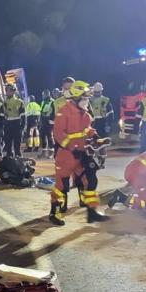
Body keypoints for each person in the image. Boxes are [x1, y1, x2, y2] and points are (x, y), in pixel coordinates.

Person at [50, 80, 109, 225]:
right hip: (66, 156)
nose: (87, 101)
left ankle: (92, 213)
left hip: (81, 153)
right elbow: (59, 134)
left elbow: (87, 130)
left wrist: (97, 138)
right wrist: (72, 148)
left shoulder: (85, 114)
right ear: (76, 97)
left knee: (90, 181)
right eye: (85, 98)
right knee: (62, 186)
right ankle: (54, 213)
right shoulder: (64, 112)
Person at [2, 83, 25, 157]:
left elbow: (23, 116)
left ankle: (18, 158)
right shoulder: (4, 102)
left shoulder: (19, 102)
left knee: (17, 144)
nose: (8, 92)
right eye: (7, 90)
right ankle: (9, 158)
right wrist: (2, 126)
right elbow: (2, 115)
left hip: (16, 124)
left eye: (9, 90)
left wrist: (22, 126)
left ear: (13, 91)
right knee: (8, 144)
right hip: (7, 125)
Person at [39, 89, 55, 159]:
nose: (43, 96)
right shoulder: (43, 101)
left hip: (49, 121)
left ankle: (51, 151)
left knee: (49, 136)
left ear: (47, 94)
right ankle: (44, 151)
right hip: (43, 121)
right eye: (42, 95)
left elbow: (54, 111)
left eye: (44, 94)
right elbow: (41, 111)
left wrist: (52, 120)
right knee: (42, 136)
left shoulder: (52, 101)